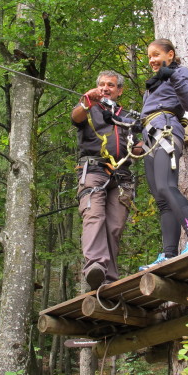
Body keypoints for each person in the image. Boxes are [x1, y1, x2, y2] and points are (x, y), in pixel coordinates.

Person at [137, 39, 188, 270]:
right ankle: (168, 254)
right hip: (149, 136)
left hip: (166, 129)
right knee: (162, 199)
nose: (152, 60)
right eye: (149, 57)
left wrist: (172, 75)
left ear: (170, 54)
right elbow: (145, 116)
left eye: (156, 54)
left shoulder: (180, 72)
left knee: (167, 187)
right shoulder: (152, 86)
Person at [72, 71, 137, 291]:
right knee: (94, 216)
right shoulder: (90, 108)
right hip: (93, 169)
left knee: (115, 225)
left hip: (122, 176)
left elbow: (137, 147)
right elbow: (76, 117)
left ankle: (109, 278)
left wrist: (153, 137)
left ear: (119, 90)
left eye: (111, 85)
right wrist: (87, 100)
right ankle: (95, 267)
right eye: (101, 84)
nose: (105, 88)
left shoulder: (126, 116)